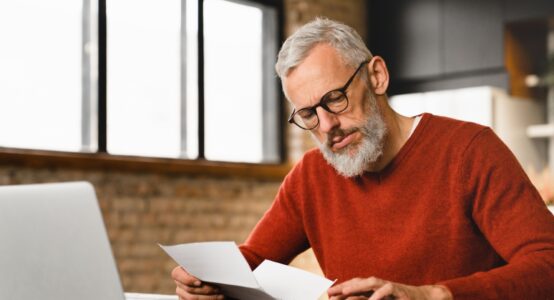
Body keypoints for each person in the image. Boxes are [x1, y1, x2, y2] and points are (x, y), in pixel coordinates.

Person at [172, 17, 554, 299]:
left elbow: (547, 265)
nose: (326, 127)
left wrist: (432, 295)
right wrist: (207, 280)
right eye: (308, 114)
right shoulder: (311, 175)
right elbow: (254, 259)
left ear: (377, 76)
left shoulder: (470, 150)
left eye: (334, 99)